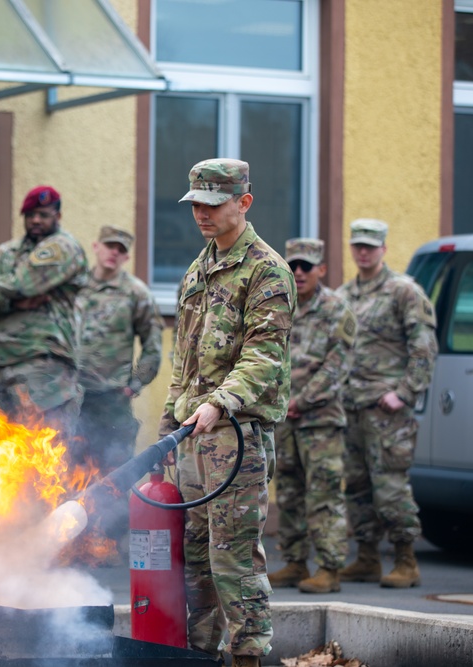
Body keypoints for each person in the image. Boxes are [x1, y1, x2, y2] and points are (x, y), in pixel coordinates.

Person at [159, 158, 293, 667]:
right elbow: (184, 356)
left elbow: (264, 355)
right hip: (192, 438)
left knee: (232, 558)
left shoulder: (267, 270)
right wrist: (170, 421)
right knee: (194, 560)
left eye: (212, 204)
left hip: (236, 435)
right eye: (196, 203)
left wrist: (221, 402)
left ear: (243, 202)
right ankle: (200, 656)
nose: (202, 214)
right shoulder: (200, 267)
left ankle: (248, 658)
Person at [336, 218, 437, 589]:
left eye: (370, 246)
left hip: (387, 409)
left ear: (384, 249)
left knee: (390, 485)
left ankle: (405, 558)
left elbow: (424, 347)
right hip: (351, 406)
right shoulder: (345, 295)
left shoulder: (403, 291)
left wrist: (405, 393)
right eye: (358, 245)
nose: (363, 252)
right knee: (357, 485)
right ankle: (366, 557)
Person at [269, 238, 354, 595]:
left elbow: (338, 365)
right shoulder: (280, 305)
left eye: (307, 266)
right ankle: (294, 561)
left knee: (323, 494)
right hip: (283, 419)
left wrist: (302, 400)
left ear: (321, 268)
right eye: (294, 266)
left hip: (319, 420)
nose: (299, 272)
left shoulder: (337, 309)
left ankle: (330, 567)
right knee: (288, 493)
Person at [0, 185, 88, 432]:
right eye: (30, 215)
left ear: (58, 216)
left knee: (44, 453)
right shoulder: (7, 252)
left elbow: (25, 284)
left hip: (43, 367)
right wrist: (12, 301)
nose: (35, 220)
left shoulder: (63, 247)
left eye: (43, 214)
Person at [75, 225, 163, 473]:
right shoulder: (74, 287)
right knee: (66, 475)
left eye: (120, 250)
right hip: (73, 398)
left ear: (126, 257)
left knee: (114, 477)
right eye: (109, 246)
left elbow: (153, 345)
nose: (113, 253)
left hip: (112, 401)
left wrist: (135, 383)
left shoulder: (136, 293)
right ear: (96, 247)